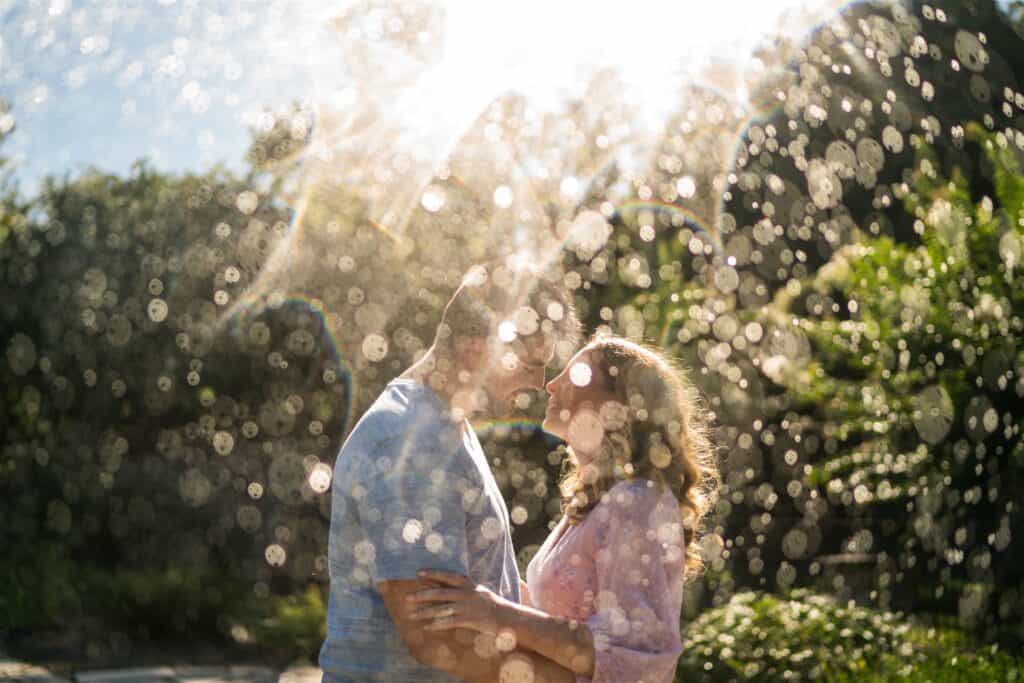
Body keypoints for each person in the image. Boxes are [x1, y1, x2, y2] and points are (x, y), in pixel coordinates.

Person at [319, 261, 582, 683]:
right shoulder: (410, 442)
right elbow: (432, 638)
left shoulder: (443, 427)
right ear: (481, 346)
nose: (539, 383)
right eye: (533, 363)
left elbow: (492, 589)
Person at [408, 335, 720, 683]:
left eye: (578, 374)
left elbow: (634, 660)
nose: (551, 384)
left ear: (619, 405)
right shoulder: (599, 501)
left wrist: (495, 613)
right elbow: (560, 615)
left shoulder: (638, 503)